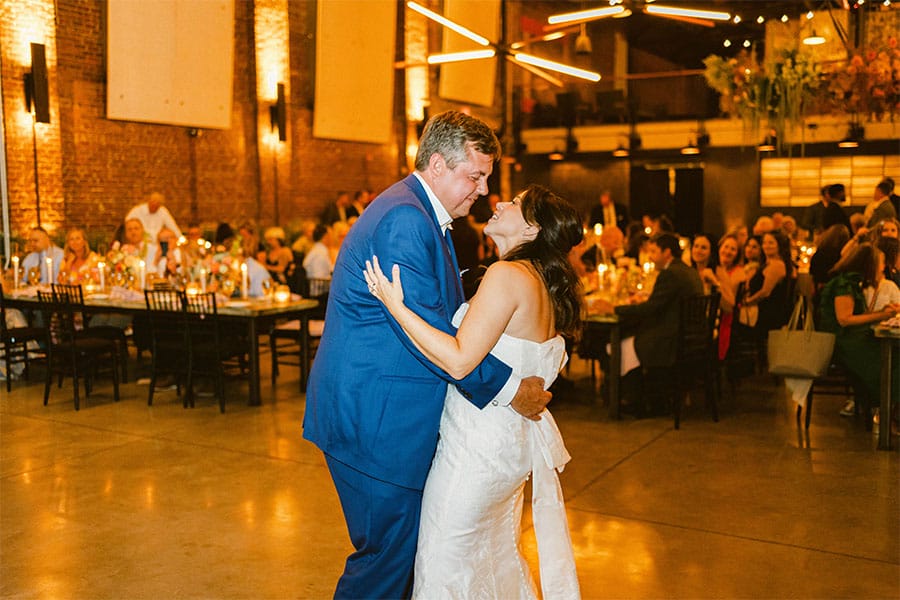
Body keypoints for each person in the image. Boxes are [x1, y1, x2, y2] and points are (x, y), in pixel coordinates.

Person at [302, 110, 551, 599]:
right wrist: (509, 388)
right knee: (383, 561)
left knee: (396, 558)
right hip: (376, 421)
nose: (483, 190)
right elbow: (431, 336)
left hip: (386, 416)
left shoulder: (422, 216)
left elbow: (443, 305)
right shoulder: (404, 220)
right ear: (437, 165)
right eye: (475, 176)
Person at [364, 184, 582, 599]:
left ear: (533, 229)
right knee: (492, 558)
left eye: (515, 204)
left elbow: (461, 360)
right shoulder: (543, 286)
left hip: (475, 454)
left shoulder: (507, 275)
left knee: (445, 563)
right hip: (508, 451)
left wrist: (396, 306)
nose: (498, 202)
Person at [593, 232, 704, 414]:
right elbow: (662, 304)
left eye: (654, 252)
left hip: (670, 338)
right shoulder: (688, 270)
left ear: (667, 252)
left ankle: (630, 401)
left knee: (617, 346)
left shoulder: (669, 274)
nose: (651, 257)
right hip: (687, 335)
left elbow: (651, 309)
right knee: (628, 338)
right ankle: (634, 397)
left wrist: (614, 309)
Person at [819, 244, 900, 420]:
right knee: (894, 359)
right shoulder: (844, 284)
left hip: (853, 338)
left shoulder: (853, 282)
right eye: (880, 263)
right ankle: (887, 407)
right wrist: (882, 314)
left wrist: (883, 312)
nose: (883, 267)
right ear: (869, 264)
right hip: (845, 343)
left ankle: (887, 406)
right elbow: (845, 319)